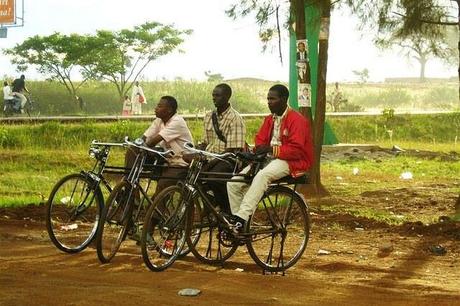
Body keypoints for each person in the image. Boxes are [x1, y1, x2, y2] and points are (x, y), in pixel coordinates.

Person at [226, 84, 314, 232]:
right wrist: (258, 152)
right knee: (233, 183)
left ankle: (242, 217)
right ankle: (239, 225)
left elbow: (296, 150)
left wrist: (271, 149)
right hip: (268, 158)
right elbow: (260, 139)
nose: (269, 102)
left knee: (263, 175)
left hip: (291, 161)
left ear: (284, 99)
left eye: (272, 99)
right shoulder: (269, 119)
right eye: (268, 99)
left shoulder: (297, 120)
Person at [125, 95, 193, 199]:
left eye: (160, 106)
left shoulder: (177, 122)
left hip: (181, 162)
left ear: (169, 110)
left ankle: (156, 213)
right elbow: (145, 137)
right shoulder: (159, 120)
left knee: (163, 184)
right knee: (132, 151)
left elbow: (151, 142)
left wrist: (143, 146)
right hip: (166, 157)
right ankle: (131, 190)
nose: (155, 108)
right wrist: (137, 144)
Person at [199, 83, 246, 213]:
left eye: (218, 95)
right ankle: (211, 205)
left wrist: (209, 164)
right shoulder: (209, 116)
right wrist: (198, 152)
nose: (214, 98)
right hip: (211, 156)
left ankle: (227, 210)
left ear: (227, 97)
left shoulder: (235, 118)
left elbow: (232, 150)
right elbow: (205, 141)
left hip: (229, 159)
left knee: (213, 178)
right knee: (191, 175)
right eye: (213, 95)